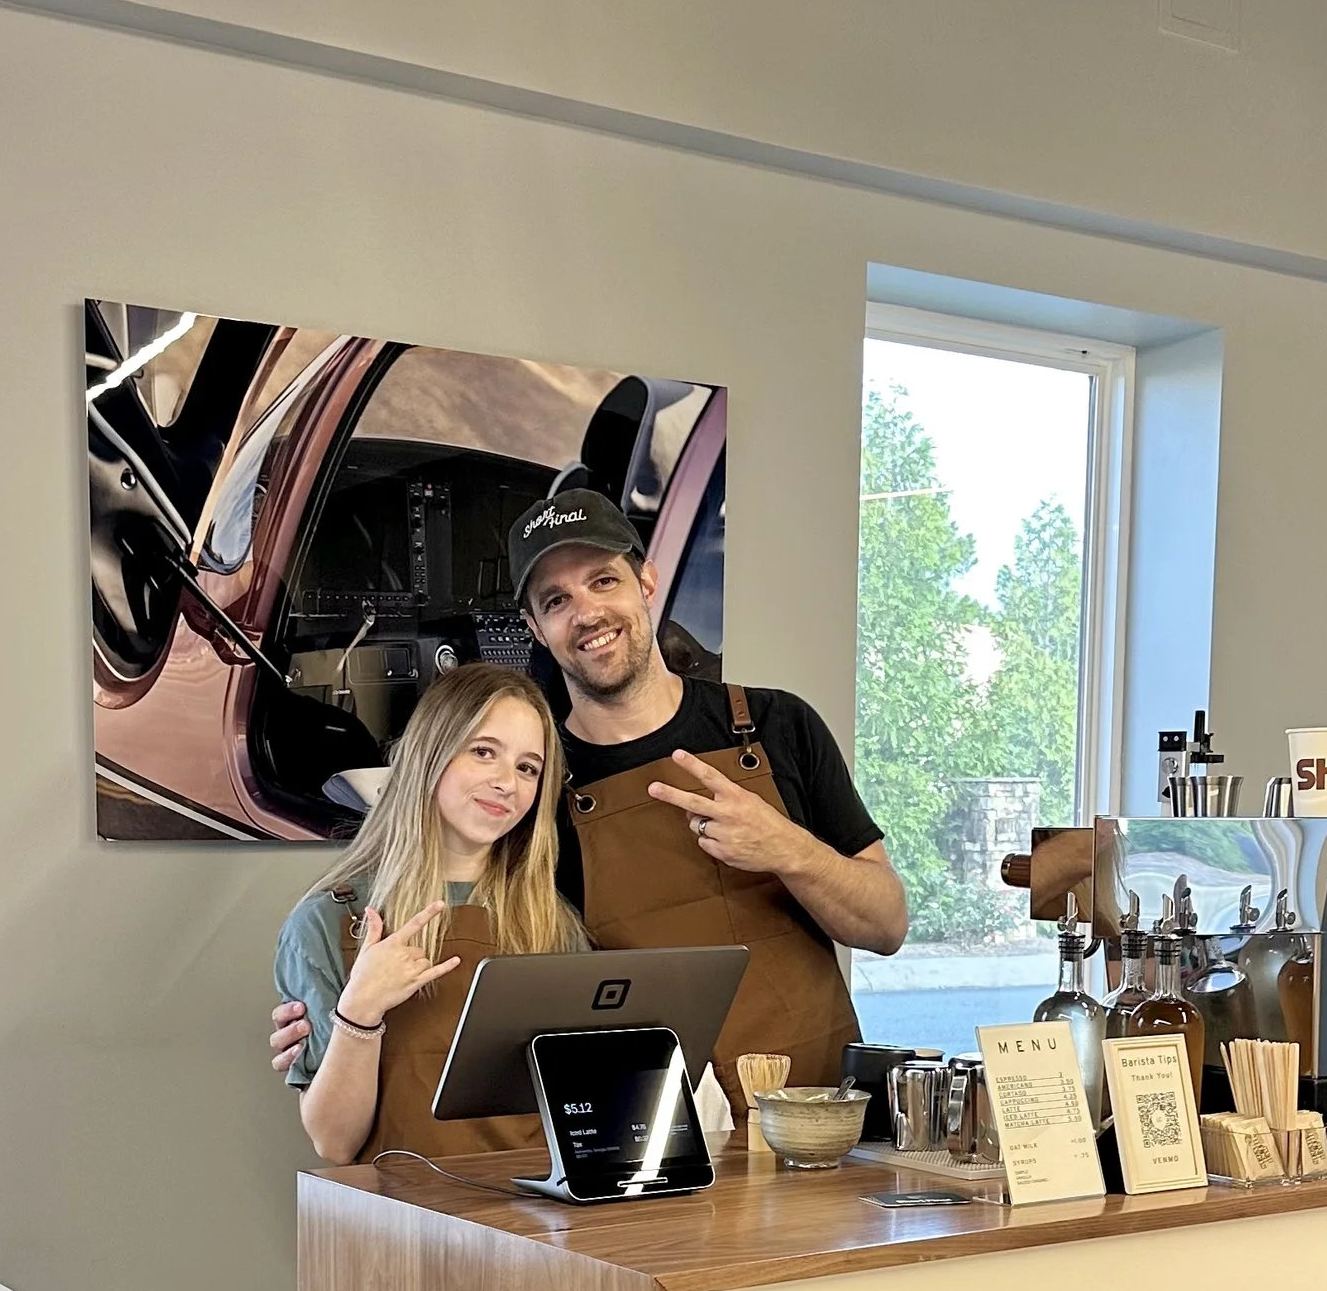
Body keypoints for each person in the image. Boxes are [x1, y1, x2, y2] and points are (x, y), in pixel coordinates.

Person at [273, 475, 907, 1105]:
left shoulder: (776, 725)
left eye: (604, 581)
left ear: (647, 583)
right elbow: (469, 923)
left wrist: (788, 849)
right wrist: (330, 1014)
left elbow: (885, 926)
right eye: (556, 600)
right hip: (648, 1125)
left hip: (817, 1115)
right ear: (534, 627)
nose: (587, 613)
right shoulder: (535, 786)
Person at [275, 662, 581, 1164]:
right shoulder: (327, 923)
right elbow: (336, 1142)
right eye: (484, 752)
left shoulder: (555, 924)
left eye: (528, 767)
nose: (507, 782)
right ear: (429, 754)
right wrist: (359, 1012)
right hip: (397, 1209)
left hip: (533, 1208)